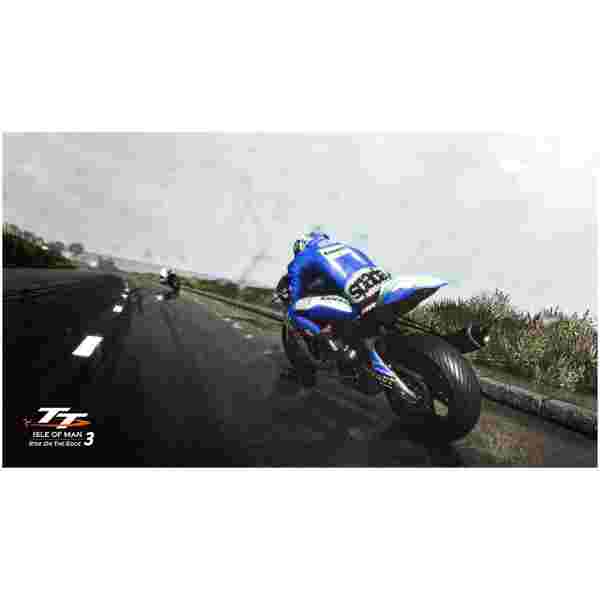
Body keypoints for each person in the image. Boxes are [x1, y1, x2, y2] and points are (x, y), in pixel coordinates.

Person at [286, 231, 398, 380]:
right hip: (382, 287)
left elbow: (295, 284)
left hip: (357, 297)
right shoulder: (344, 247)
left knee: (295, 311)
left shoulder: (304, 255)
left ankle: (334, 346)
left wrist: (294, 298)